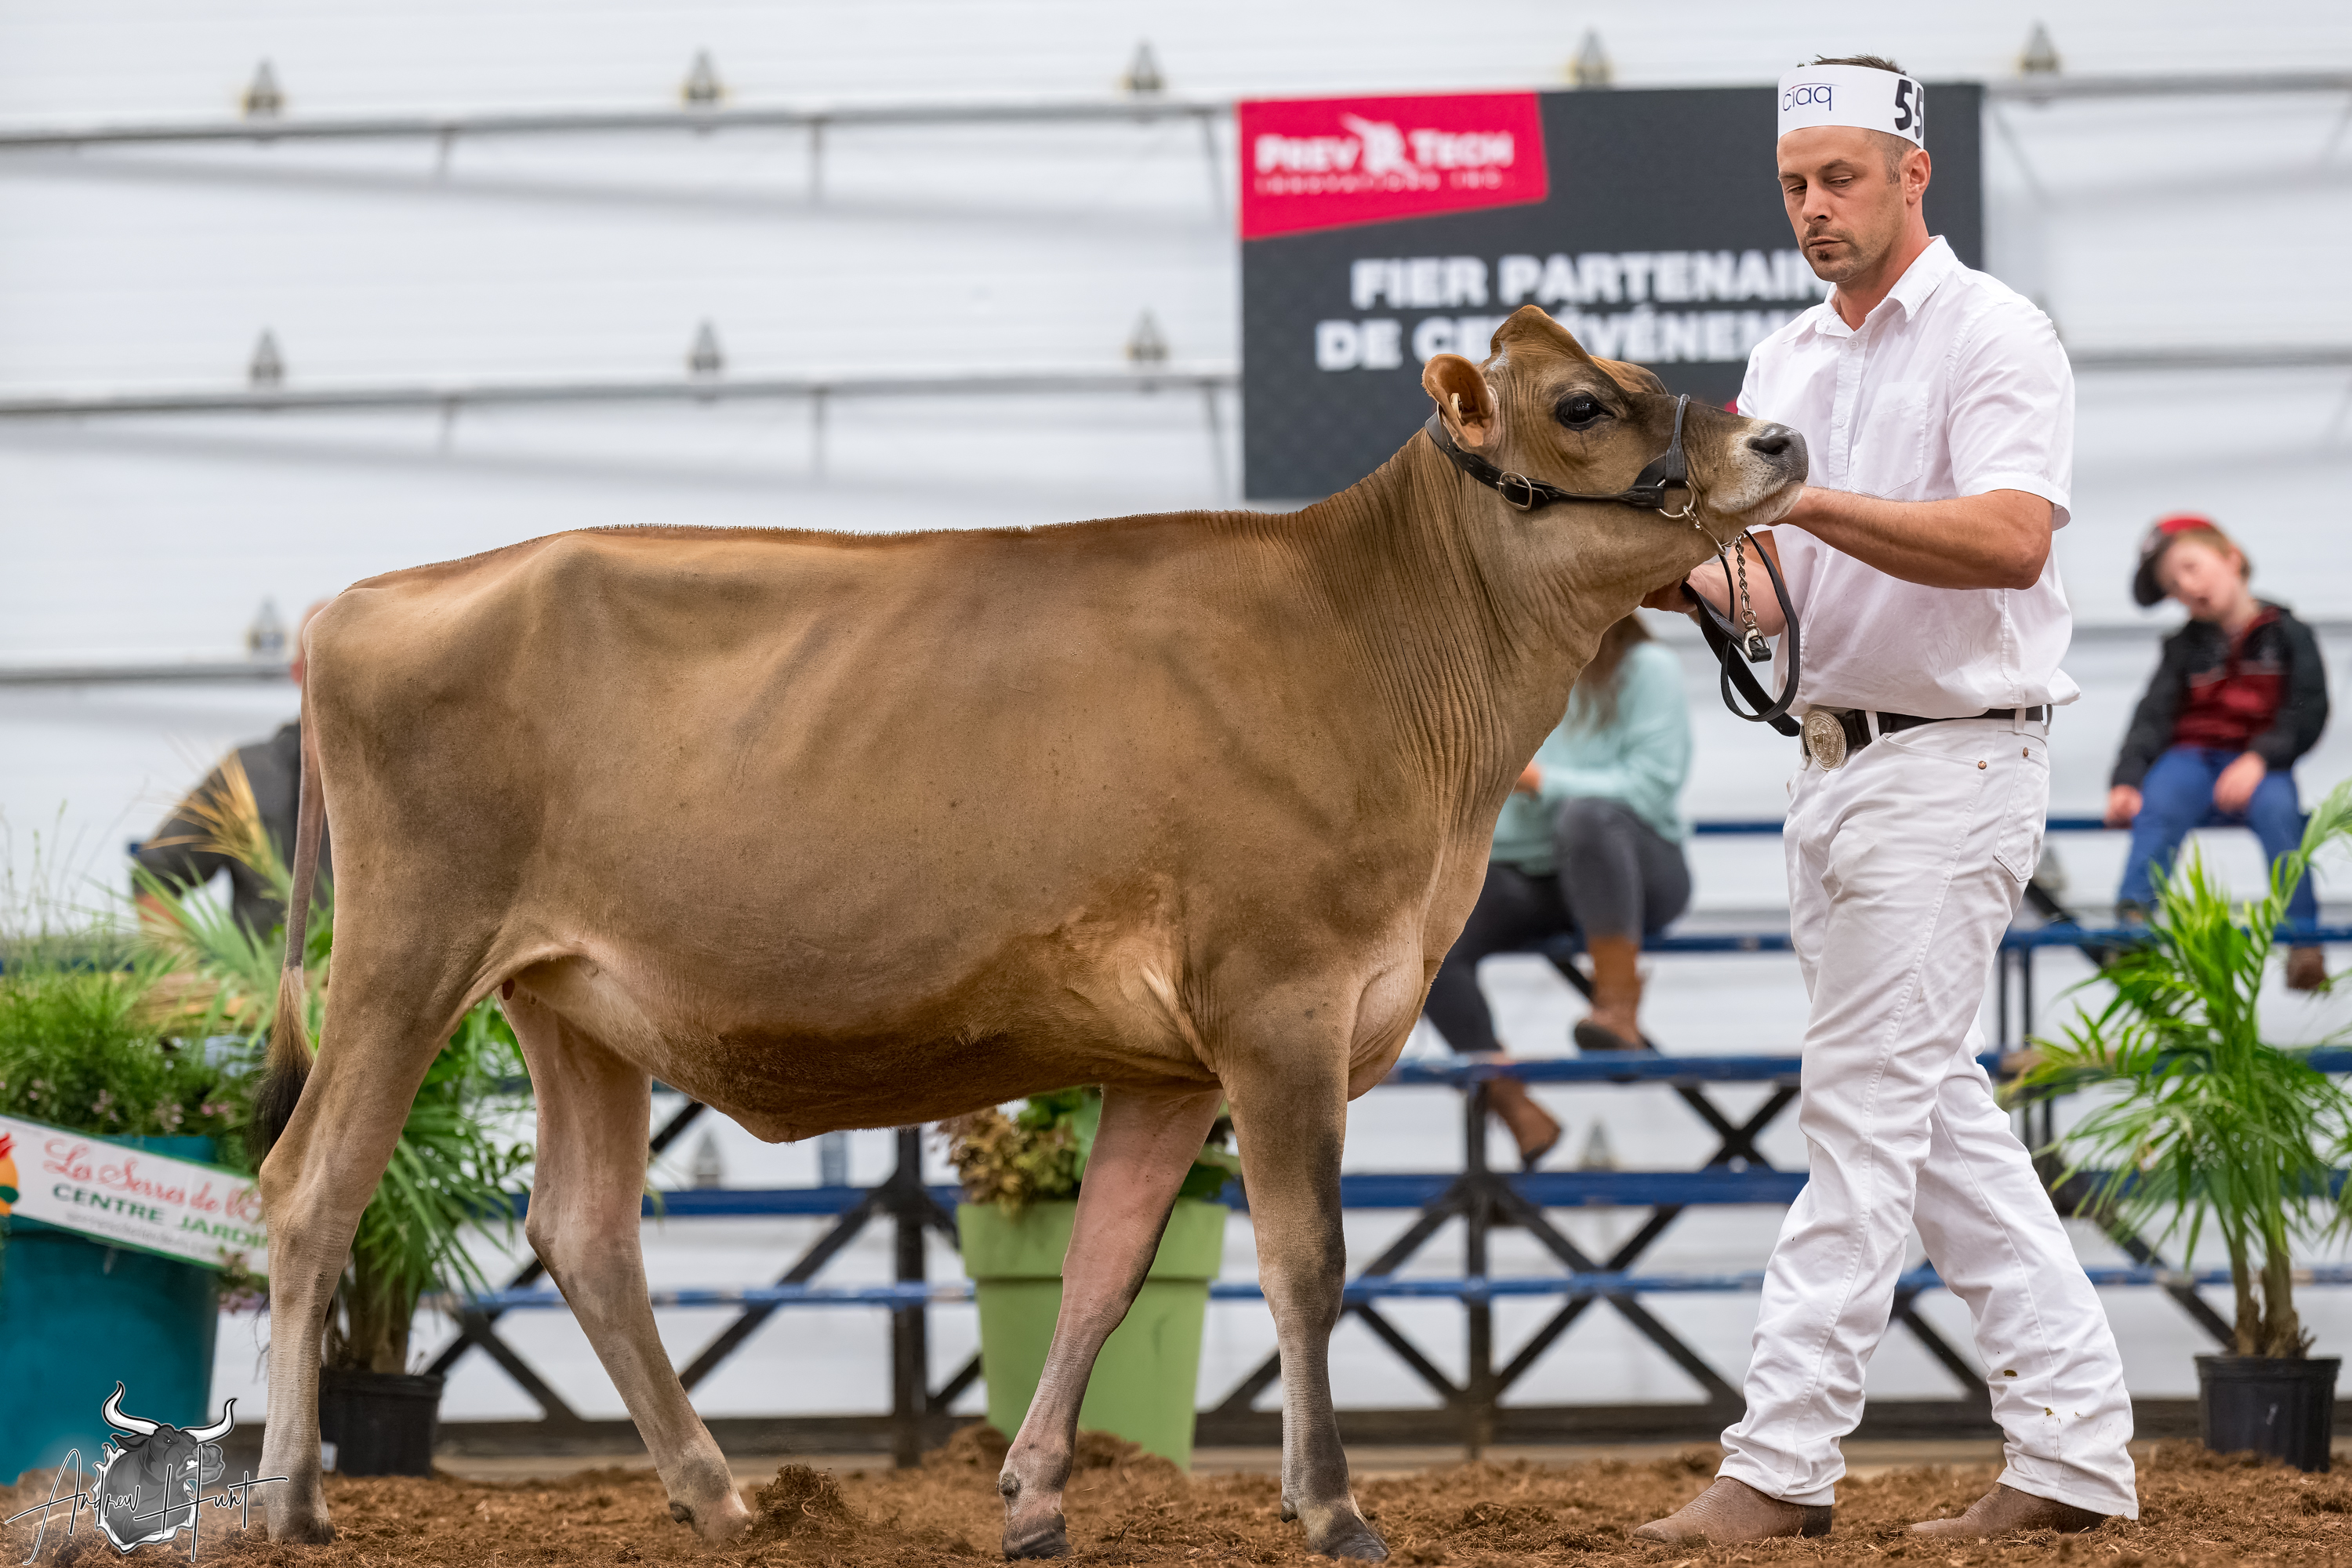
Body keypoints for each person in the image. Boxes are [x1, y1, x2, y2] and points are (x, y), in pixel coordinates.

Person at [1633, 56, 2138, 1545]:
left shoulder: (1998, 332)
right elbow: (1772, 588)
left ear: (1915, 175)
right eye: (1795, 183)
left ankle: (1781, 1461)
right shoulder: (1785, 357)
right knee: (1938, 1123)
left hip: (1958, 762)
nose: (1814, 207)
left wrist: (1796, 499)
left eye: (1840, 178)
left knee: (1860, 1114)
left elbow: (2011, 539)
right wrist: (1663, 574)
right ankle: (2076, 1452)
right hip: (1832, 765)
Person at [1421, 614, 1693, 1164]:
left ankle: (1617, 1014)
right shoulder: (1492, 676)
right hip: (1538, 873)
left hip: (1641, 872)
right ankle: (1511, 1102)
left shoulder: (1649, 669)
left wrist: (1540, 782)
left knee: (1586, 818)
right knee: (1431, 932)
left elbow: (1652, 788)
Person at [2107, 515, 2330, 990]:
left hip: (2260, 764)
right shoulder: (2183, 647)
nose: (2187, 588)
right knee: (2160, 801)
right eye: (2173, 586)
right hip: (2192, 756)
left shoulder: (2288, 634)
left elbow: (2308, 709)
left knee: (2281, 816)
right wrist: (2127, 780)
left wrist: (2261, 758)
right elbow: (2152, 716)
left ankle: (2304, 940)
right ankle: (2133, 923)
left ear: (2232, 557)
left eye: (2191, 567)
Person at [135, 602, 331, 936]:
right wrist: (189, 963)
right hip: (269, 971)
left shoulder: (417, 778)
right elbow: (154, 877)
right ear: (298, 671)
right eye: (327, 660)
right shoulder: (247, 777)